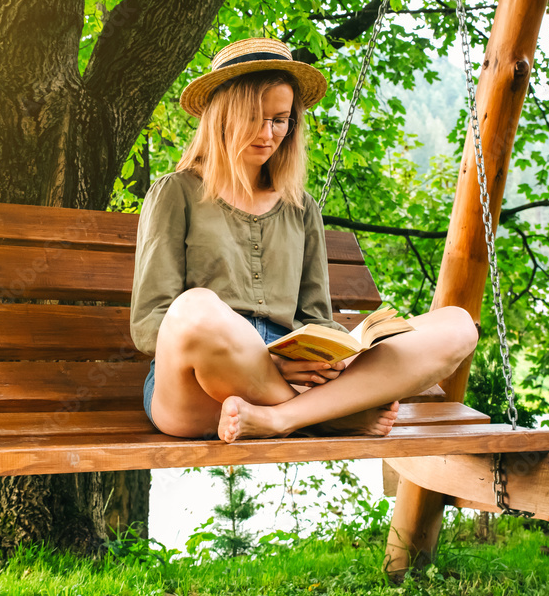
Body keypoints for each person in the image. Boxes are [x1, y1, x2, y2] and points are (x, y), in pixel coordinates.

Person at [130, 37, 479, 443]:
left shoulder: (301, 206)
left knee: (457, 326)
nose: (269, 133)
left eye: (281, 119)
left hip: (288, 386)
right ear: (223, 116)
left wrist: (332, 361)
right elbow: (151, 323)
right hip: (196, 393)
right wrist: (268, 363)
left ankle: (279, 419)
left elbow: (316, 318)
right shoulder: (176, 192)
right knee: (196, 308)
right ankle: (327, 418)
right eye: (255, 118)